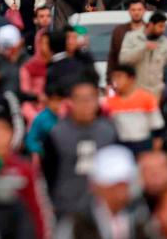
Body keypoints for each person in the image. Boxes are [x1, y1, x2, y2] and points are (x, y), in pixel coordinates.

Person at [41, 77, 118, 217]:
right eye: (80, 99)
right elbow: (48, 171)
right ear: (70, 102)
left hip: (101, 207)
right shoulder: (56, 134)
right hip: (66, 205)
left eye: (90, 99)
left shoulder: (109, 131)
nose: (86, 105)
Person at [108, 64, 165, 154]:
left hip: (143, 144)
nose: (116, 81)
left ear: (131, 79)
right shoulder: (108, 103)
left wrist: (155, 151)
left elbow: (157, 127)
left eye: (119, 76)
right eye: (114, 77)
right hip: (120, 145)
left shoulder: (146, 98)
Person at [119, 11, 167, 96]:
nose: (163, 30)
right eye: (160, 26)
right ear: (151, 25)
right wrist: (143, 48)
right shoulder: (133, 37)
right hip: (136, 90)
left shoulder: (166, 43)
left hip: (157, 92)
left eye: (164, 26)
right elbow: (123, 60)